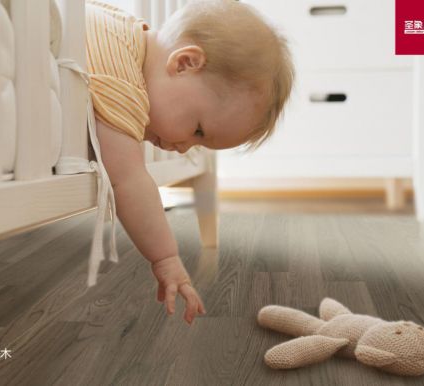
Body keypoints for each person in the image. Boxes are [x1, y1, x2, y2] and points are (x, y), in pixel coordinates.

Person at [84, 0, 294, 326]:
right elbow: (128, 179)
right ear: (184, 63)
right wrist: (166, 258)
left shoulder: (119, 25)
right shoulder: (122, 81)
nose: (184, 148)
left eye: (198, 142)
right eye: (198, 130)